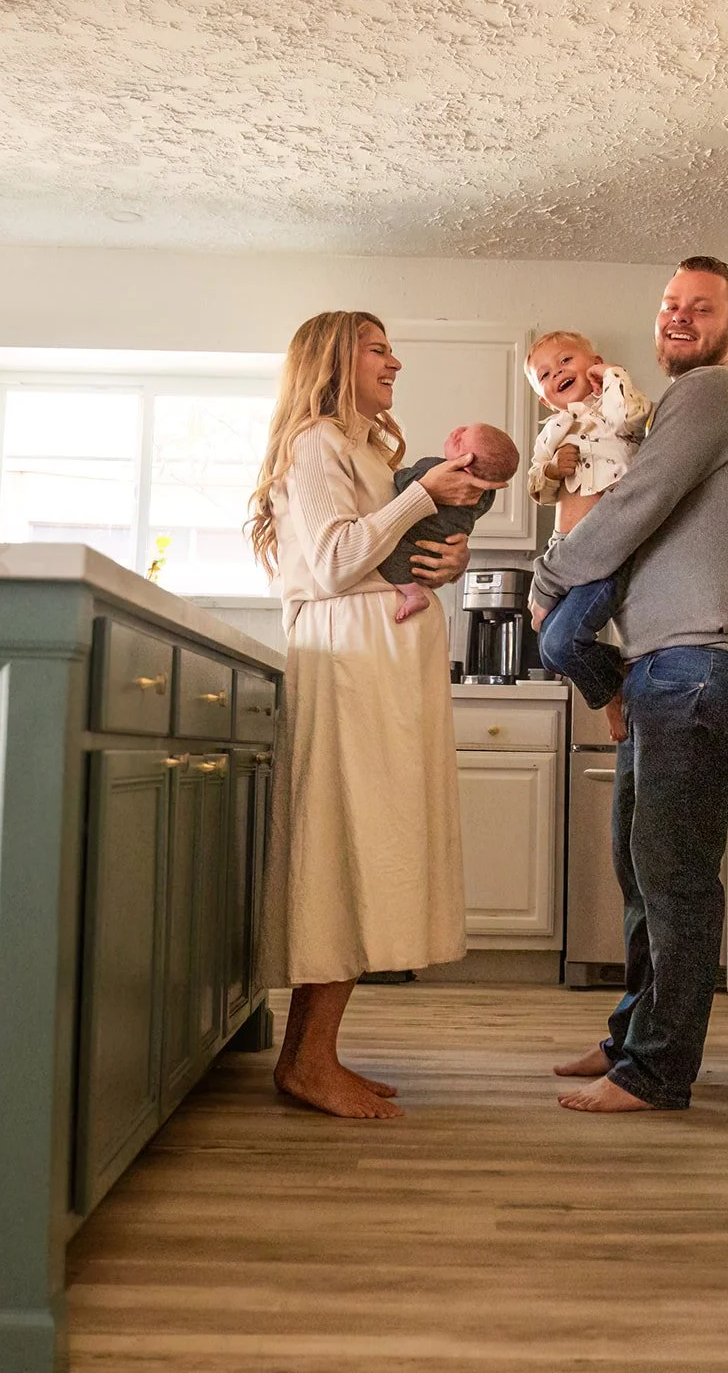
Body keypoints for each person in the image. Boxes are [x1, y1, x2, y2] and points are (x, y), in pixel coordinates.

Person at [529, 257, 728, 1114]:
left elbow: (631, 505)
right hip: (661, 667)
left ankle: (659, 1070)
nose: (678, 317)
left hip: (695, 663)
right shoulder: (676, 401)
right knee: (642, 871)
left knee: (671, 874)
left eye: (700, 308)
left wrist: (549, 576)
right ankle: (631, 1039)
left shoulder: (711, 393)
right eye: (670, 304)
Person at [248, 310, 506, 1120]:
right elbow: (330, 565)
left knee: (372, 848)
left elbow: (382, 550)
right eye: (377, 349)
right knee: (346, 850)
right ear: (333, 360)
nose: (395, 361)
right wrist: (422, 494)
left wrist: (447, 558)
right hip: (352, 659)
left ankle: (309, 1055)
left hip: (384, 659)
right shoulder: (317, 442)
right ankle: (310, 1062)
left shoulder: (368, 450)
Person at [524, 332, 651, 741]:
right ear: (545, 399)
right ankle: (622, 672)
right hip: (564, 549)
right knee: (548, 647)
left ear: (592, 361)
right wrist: (552, 471)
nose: (557, 372)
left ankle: (613, 693)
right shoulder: (551, 433)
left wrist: (609, 375)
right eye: (545, 374)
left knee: (561, 643)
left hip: (606, 550)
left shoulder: (614, 409)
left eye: (565, 361)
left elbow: (632, 415)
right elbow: (535, 488)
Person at [378, 422, 520, 622]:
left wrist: (402, 474)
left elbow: (403, 482)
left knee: (389, 561)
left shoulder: (433, 468)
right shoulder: (486, 495)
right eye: (463, 429)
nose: (456, 431)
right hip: (439, 550)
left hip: (414, 548)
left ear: (467, 465)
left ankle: (414, 594)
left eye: (461, 440)